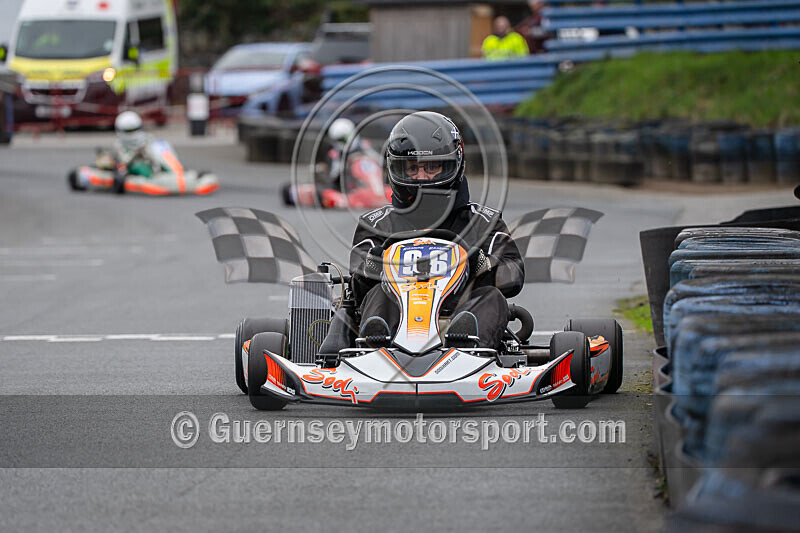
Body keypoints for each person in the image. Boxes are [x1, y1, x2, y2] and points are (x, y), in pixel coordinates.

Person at [349, 111, 525, 349]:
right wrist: (373, 265)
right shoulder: (378, 224)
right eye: (412, 168)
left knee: (491, 297)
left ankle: (470, 350)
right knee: (378, 292)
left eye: (431, 167)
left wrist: (481, 264)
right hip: (397, 320)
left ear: (454, 166)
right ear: (396, 169)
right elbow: (357, 284)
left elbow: (513, 274)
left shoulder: (482, 222)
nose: (421, 178)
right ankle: (375, 349)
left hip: (459, 318)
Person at [111, 111, 158, 178]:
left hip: (149, 164)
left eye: (134, 130)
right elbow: (124, 161)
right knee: (139, 167)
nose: (132, 133)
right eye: (129, 131)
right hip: (132, 168)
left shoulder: (147, 138)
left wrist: (145, 150)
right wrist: (136, 152)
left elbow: (155, 154)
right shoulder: (119, 145)